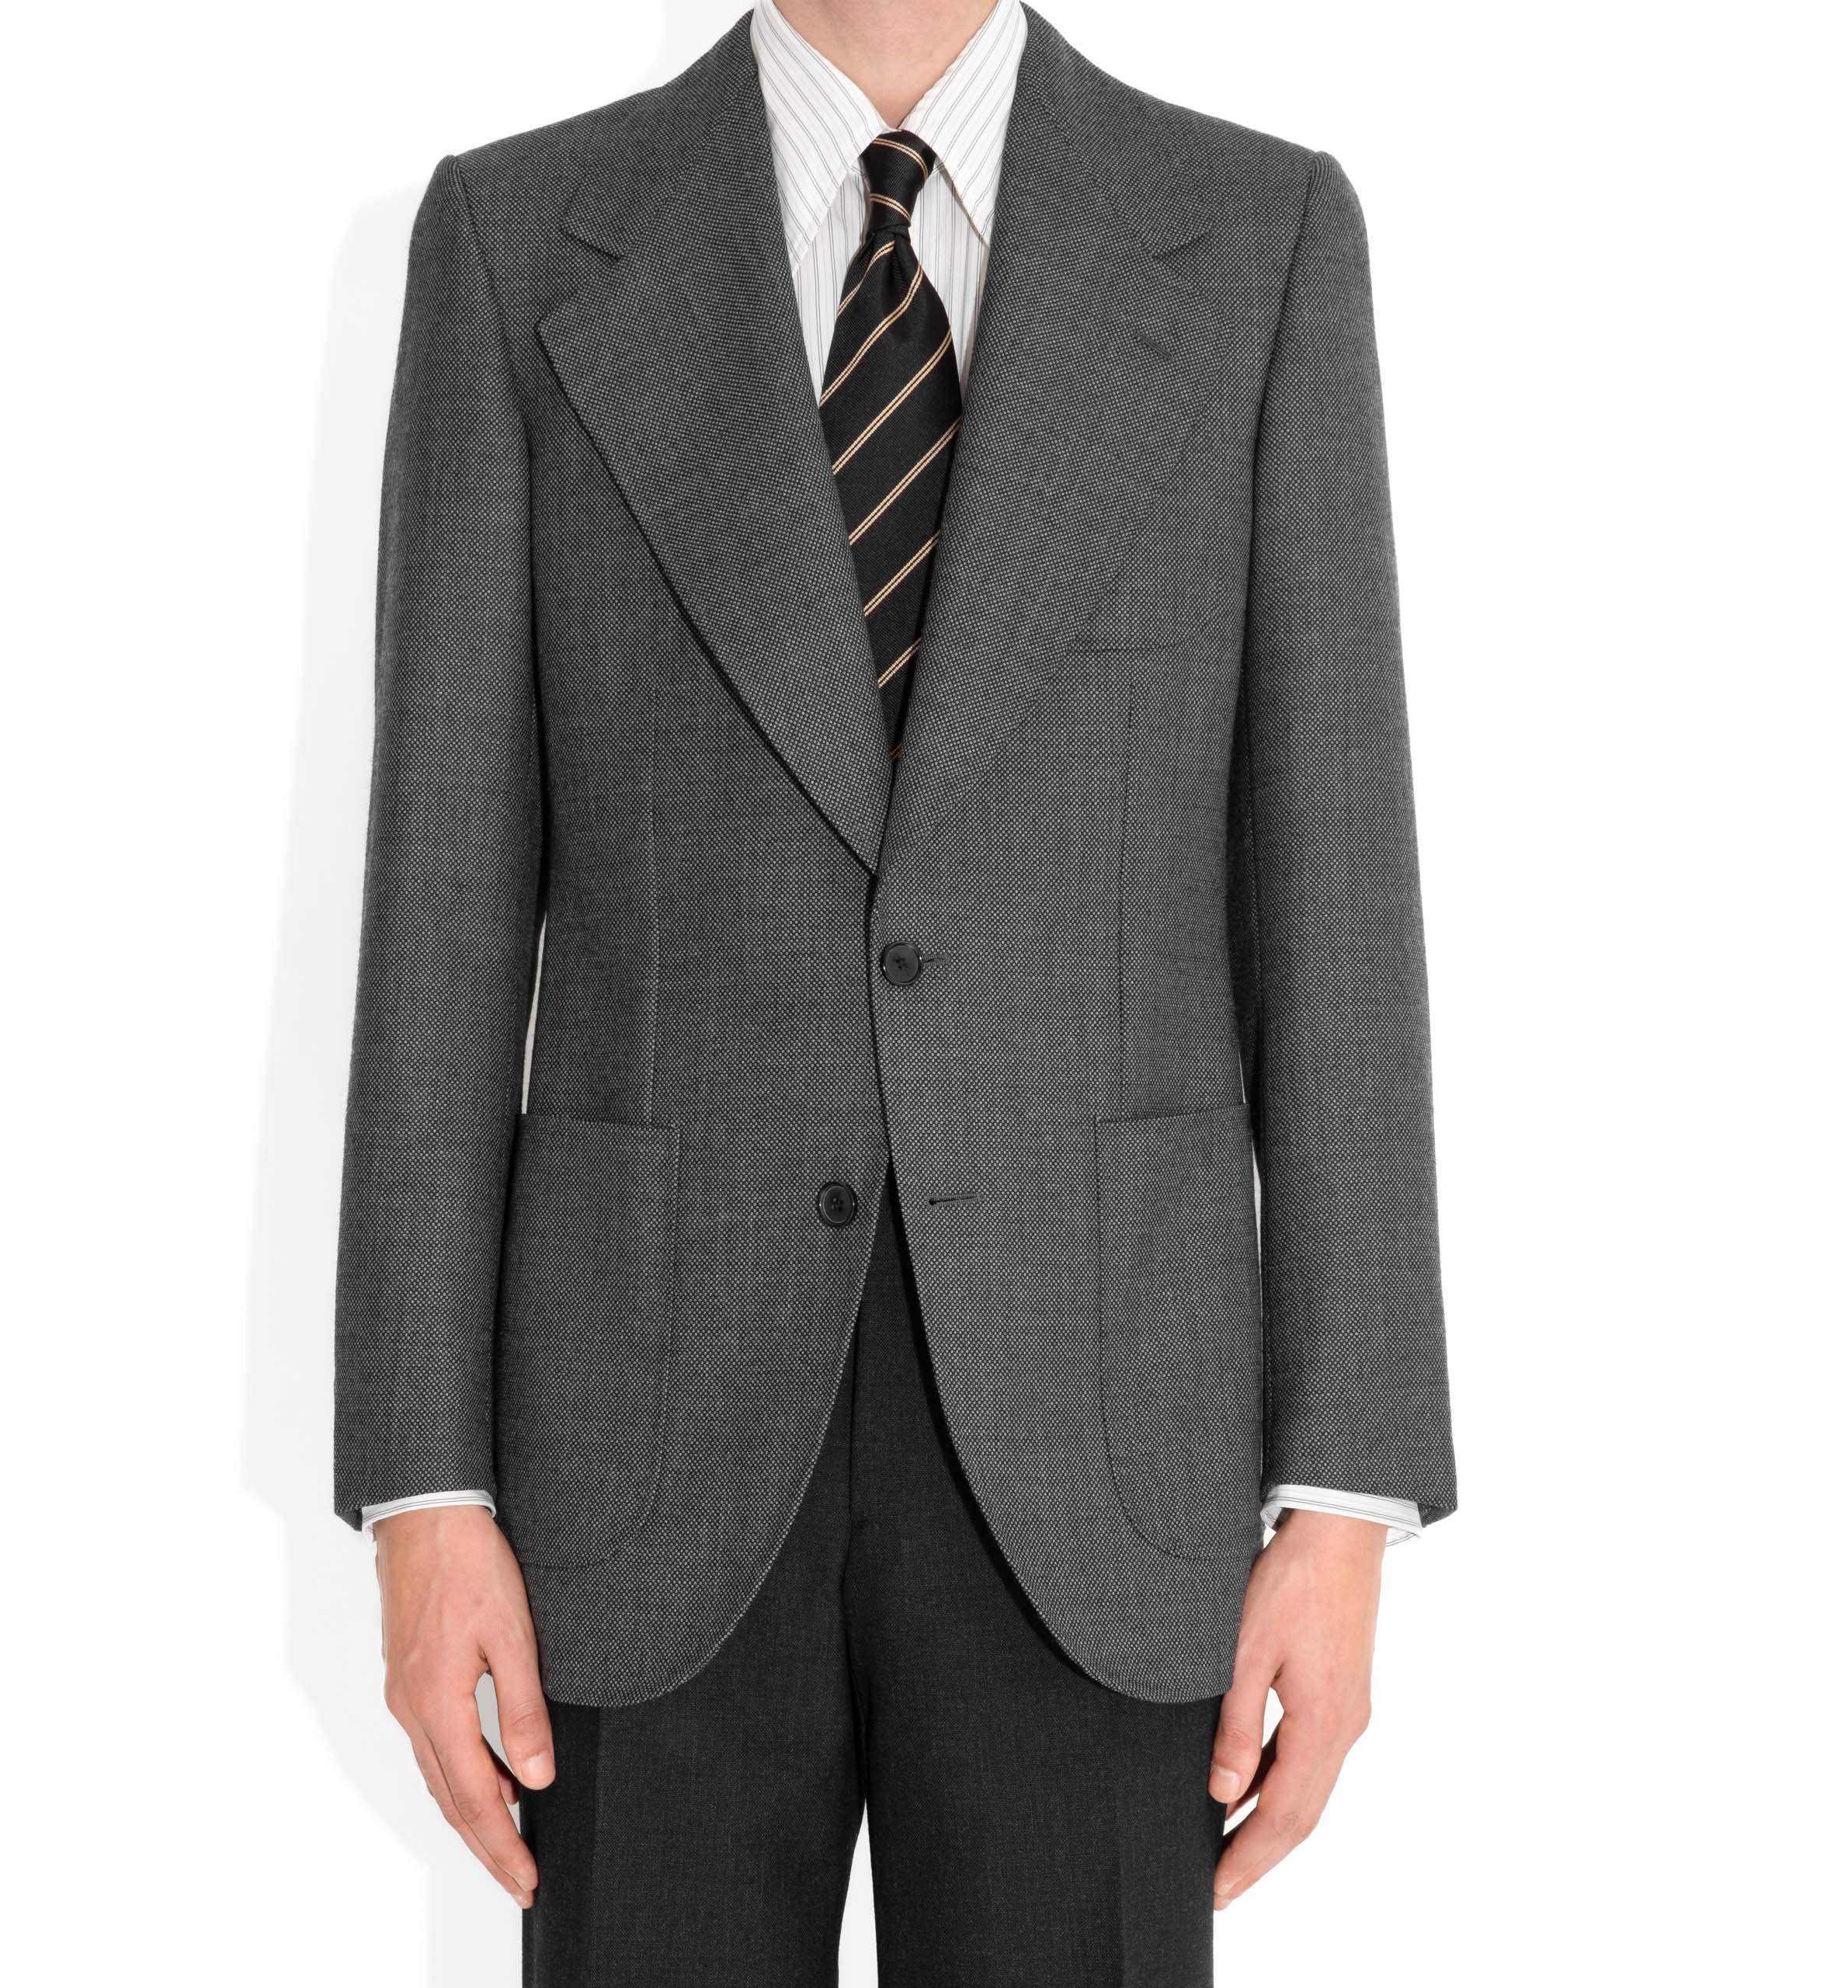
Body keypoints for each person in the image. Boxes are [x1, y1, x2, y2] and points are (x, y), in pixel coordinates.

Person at [333, 2, 1456, 1979]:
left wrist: (1342, 1487)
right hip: (638, 1437)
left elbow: (1333, 879)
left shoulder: (1253, 237)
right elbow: (441, 896)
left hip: (1102, 1434)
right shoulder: (521, 239)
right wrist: (422, 1485)